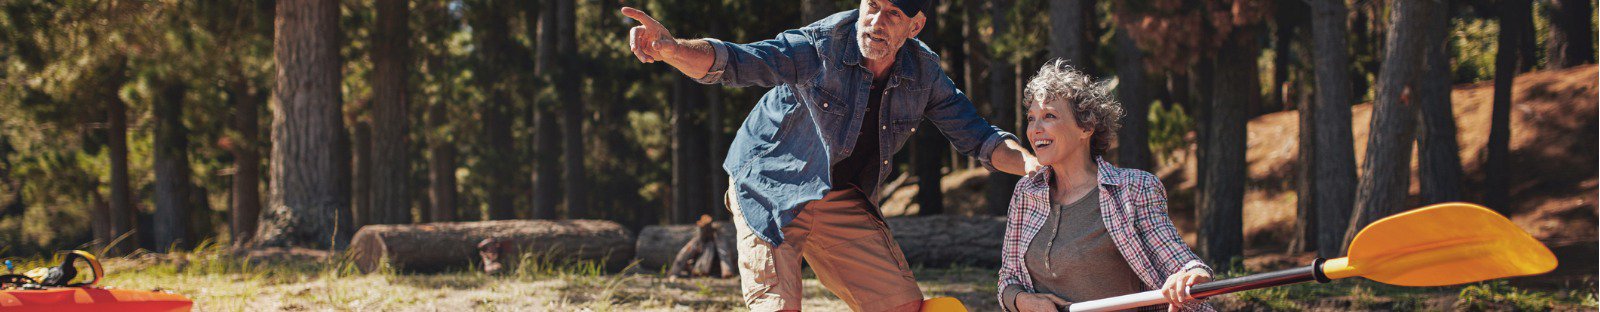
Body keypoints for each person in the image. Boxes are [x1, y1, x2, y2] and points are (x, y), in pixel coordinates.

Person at [622, 1, 1040, 311]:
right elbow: (738, 61)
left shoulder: (924, 72)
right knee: (778, 307)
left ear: (916, 26)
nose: (875, 22)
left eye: (893, 14)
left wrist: (1033, 166)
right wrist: (673, 48)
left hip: (840, 194)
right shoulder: (820, 45)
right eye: (871, 6)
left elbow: (980, 138)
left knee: (906, 308)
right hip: (771, 187)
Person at [998, 60, 1215, 312]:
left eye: (1049, 116)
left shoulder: (1133, 188)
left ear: (1086, 127)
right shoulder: (1026, 193)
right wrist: (1022, 301)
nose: (1035, 129)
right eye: (1031, 118)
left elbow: (1177, 258)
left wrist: (1192, 274)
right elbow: (1008, 278)